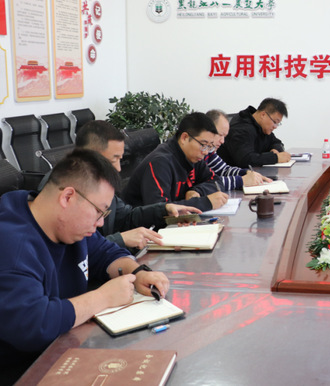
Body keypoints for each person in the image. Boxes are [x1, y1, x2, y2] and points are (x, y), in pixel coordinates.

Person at [0, 149, 170, 381]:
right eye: (98, 211)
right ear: (68, 197)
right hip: (23, 371)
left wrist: (137, 272)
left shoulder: (67, 226)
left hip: (67, 346)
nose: (100, 223)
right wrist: (103, 298)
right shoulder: (12, 245)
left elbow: (103, 251)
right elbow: (34, 324)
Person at [74, 120, 201, 252]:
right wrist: (121, 239)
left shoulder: (102, 187)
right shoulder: (70, 196)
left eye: (120, 159)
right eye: (113, 160)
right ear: (88, 158)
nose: (118, 168)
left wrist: (164, 210)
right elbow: (77, 251)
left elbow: (127, 217)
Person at [122, 112, 229, 211]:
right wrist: (205, 203)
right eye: (203, 144)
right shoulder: (160, 163)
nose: (206, 152)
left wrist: (197, 191)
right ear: (184, 138)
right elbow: (159, 210)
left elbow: (216, 182)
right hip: (142, 224)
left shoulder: (195, 156)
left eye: (210, 146)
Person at [205, 109, 271, 189]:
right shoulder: (199, 154)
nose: (222, 141)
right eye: (220, 135)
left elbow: (224, 170)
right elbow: (206, 183)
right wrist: (241, 181)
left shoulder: (209, 151)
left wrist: (246, 173)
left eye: (224, 137)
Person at [218, 98, 290, 167]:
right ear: (263, 115)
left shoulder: (262, 127)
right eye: (275, 122)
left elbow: (277, 142)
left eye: (277, 124)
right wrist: (275, 158)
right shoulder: (241, 129)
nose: (275, 127)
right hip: (233, 173)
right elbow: (245, 160)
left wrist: (275, 150)